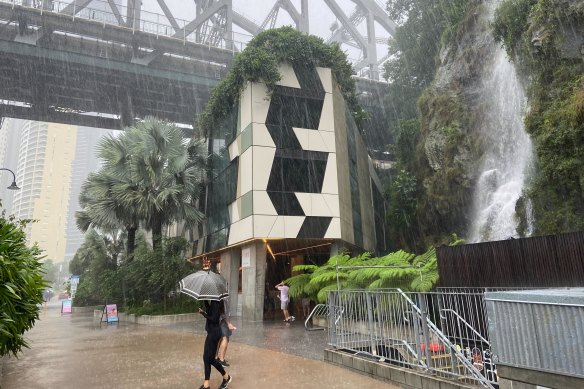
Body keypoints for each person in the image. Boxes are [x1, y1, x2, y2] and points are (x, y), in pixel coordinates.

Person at [198, 300, 232, 389]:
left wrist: (203, 314)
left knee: (207, 358)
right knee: (209, 358)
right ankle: (208, 383)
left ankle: (225, 377)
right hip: (212, 332)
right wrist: (205, 302)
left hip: (214, 333)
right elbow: (211, 312)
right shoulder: (214, 301)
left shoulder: (216, 302)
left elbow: (214, 318)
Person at [215, 298, 236, 367]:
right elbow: (224, 313)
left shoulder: (216, 298)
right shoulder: (222, 298)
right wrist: (228, 323)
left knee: (220, 339)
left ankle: (216, 357)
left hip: (218, 321)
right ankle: (221, 359)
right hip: (223, 321)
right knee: (225, 339)